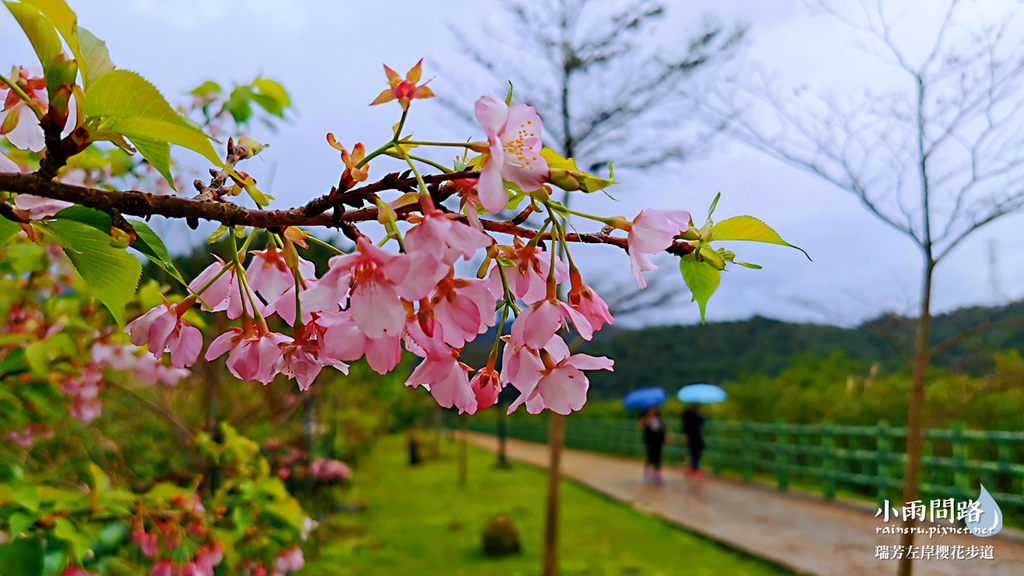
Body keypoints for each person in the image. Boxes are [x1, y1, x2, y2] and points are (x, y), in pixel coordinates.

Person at [638, 407, 668, 484]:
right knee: (650, 455)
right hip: (649, 439)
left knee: (658, 455)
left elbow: (664, 426)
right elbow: (640, 425)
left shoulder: (659, 416)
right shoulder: (645, 415)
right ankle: (648, 470)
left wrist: (666, 436)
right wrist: (647, 416)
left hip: (658, 439)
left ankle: (657, 472)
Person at [681, 404, 705, 479]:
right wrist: (684, 434)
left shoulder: (698, 411)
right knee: (691, 451)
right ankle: (694, 468)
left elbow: (702, 423)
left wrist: (700, 415)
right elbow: (684, 424)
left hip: (698, 435)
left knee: (698, 451)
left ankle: (694, 467)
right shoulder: (687, 412)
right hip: (690, 435)